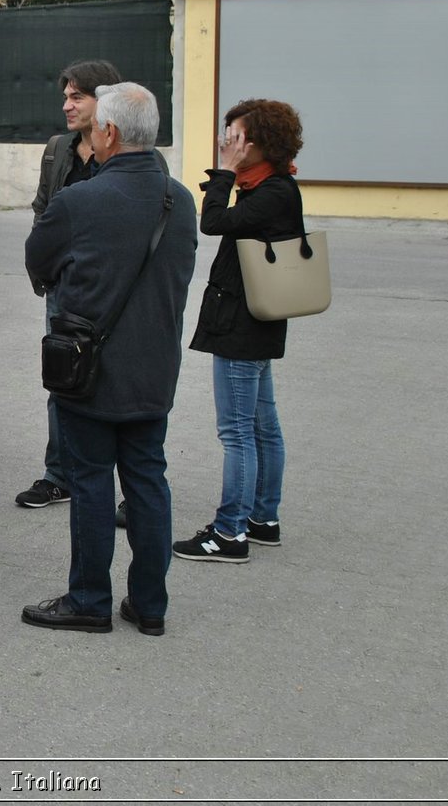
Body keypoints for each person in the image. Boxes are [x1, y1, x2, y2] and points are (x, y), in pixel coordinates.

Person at [21, 83, 196, 636]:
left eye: (95, 125)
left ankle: (90, 599)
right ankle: (150, 605)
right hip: (154, 366)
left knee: (92, 480)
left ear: (111, 133)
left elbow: (38, 262)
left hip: (87, 367)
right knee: (148, 479)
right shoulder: (180, 198)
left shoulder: (79, 200)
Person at [173, 99, 305, 564]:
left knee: (238, 433)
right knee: (262, 425)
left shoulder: (272, 192)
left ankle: (230, 532)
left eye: (234, 136)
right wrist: (231, 175)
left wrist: (224, 173)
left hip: (241, 327)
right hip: (254, 322)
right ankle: (263, 520)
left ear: (258, 143)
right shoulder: (269, 187)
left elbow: (212, 222)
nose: (225, 143)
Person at [16, 59, 122, 510]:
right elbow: (43, 210)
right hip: (64, 289)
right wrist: (44, 269)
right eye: (66, 95)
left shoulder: (129, 149)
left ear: (106, 102)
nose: (67, 104)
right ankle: (59, 476)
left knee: (118, 383)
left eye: (78, 96)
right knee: (63, 378)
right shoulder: (58, 149)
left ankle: (128, 486)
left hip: (116, 291)